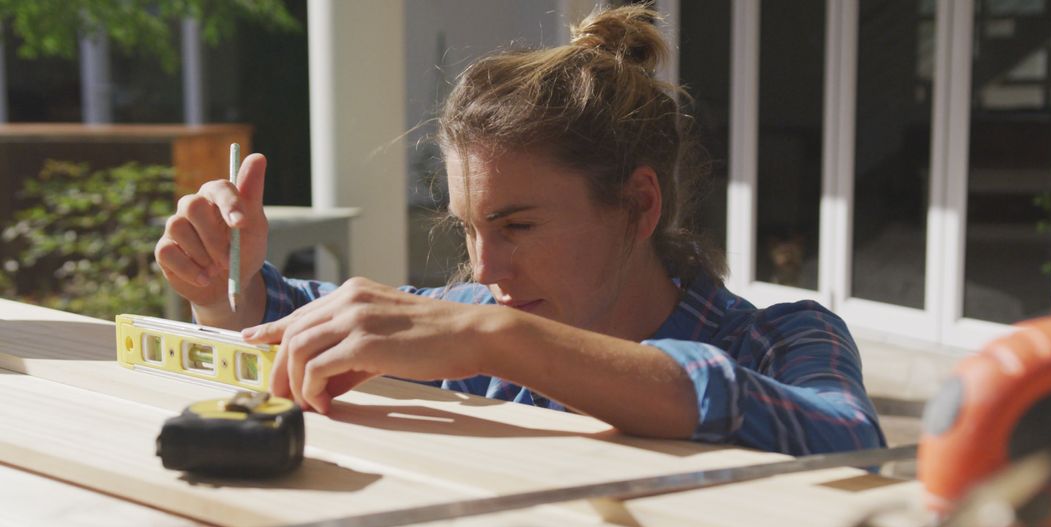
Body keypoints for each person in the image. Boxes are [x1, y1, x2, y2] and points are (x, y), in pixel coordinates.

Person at [154, 5, 885, 455]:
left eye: (517, 224)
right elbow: (306, 317)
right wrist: (231, 286)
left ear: (638, 204)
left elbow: (848, 441)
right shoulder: (483, 324)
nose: (484, 269)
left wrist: (507, 343)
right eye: (469, 228)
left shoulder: (786, 340)